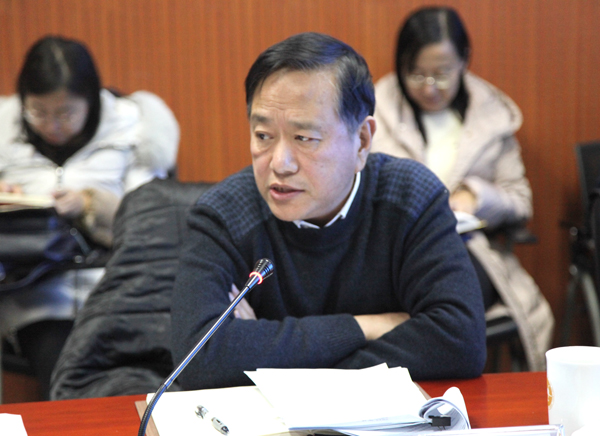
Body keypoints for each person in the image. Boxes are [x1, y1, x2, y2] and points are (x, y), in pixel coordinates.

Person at [171, 31, 486, 391]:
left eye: (304, 138)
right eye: (263, 136)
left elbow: (459, 341)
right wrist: (366, 327)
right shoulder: (223, 215)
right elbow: (198, 358)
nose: (280, 163)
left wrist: (264, 349)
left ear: (362, 142)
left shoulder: (412, 196)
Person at [371, 6, 554, 371]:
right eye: (416, 74)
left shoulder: (490, 115)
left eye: (441, 74)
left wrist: (476, 196)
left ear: (464, 61)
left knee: (447, 292)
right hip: (391, 253)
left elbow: (520, 199)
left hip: (468, 250)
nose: (428, 87)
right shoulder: (375, 110)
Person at [0, 35, 179, 399]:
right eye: (38, 112)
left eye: (65, 113)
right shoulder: (5, 130)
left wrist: (90, 204)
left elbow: (150, 221)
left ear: (91, 100)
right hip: (37, 296)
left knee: (139, 380)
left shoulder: (132, 130)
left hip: (118, 291)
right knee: (65, 377)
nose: (52, 125)